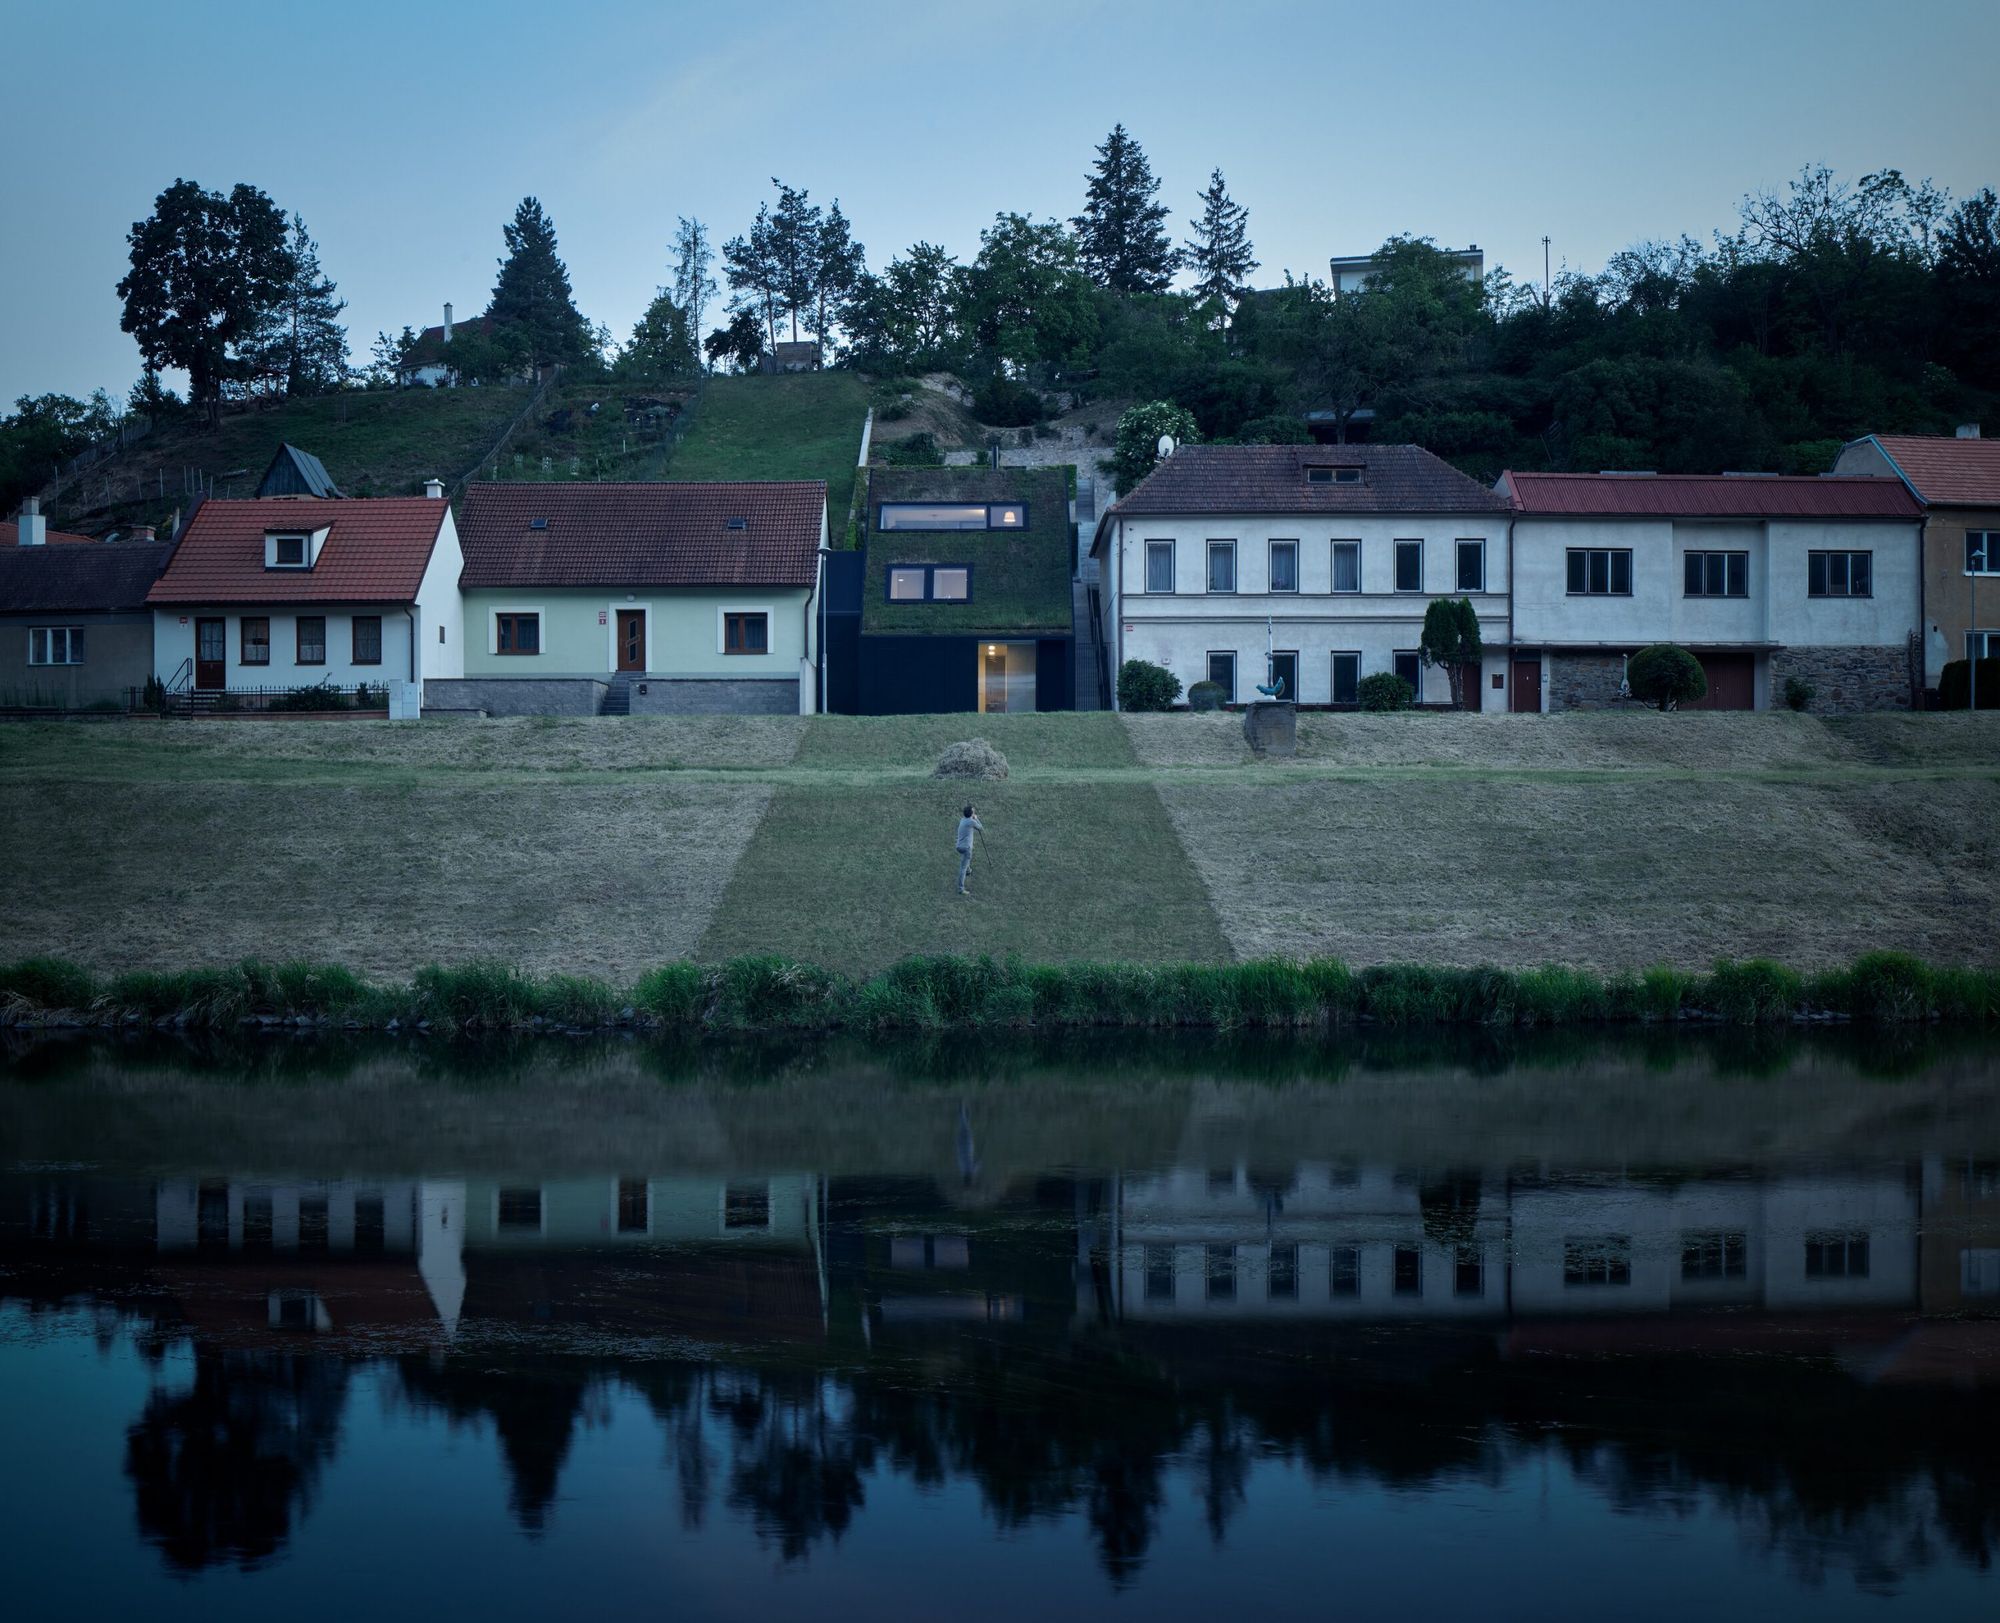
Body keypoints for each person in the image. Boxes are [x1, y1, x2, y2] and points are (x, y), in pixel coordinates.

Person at [954, 803, 984, 896]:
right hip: (966, 847)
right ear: (971, 814)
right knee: (963, 866)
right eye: (973, 811)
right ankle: (961, 889)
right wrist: (976, 818)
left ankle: (968, 870)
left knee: (967, 858)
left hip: (959, 846)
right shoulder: (971, 821)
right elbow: (981, 828)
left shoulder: (963, 820)